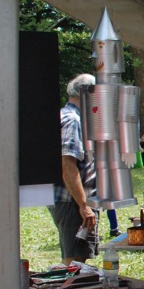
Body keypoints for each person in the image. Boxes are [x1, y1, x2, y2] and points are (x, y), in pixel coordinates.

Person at [48, 73, 99, 264]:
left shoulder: (66, 115)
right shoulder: (73, 120)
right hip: (71, 201)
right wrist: (84, 206)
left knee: (78, 258)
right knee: (74, 261)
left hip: (72, 200)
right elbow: (67, 164)